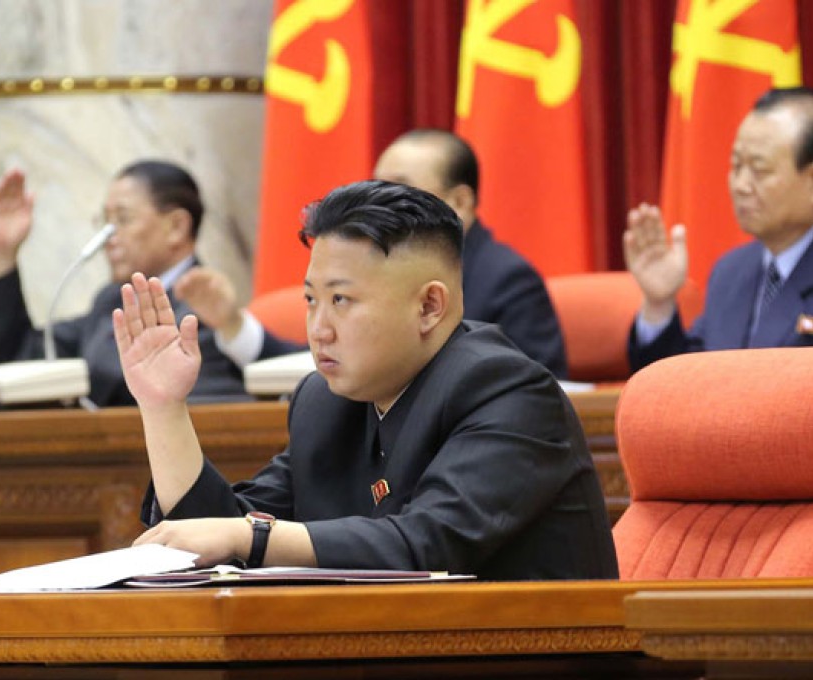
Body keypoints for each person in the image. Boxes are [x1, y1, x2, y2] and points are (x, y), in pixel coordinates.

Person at [117, 180, 618, 581]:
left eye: (342, 301)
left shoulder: (506, 390)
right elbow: (218, 529)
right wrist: (163, 407)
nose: (319, 328)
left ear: (429, 306)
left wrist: (252, 536)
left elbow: (425, 545)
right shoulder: (324, 401)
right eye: (311, 299)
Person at [184, 130, 569, 378]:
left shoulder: (506, 278)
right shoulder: (371, 273)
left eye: (399, 189)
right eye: (376, 186)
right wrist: (233, 324)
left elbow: (539, 389)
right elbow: (333, 355)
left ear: (460, 201)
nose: (380, 202)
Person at [0, 161, 251, 406]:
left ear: (176, 227)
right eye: (105, 222)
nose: (107, 237)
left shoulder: (208, 310)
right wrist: (4, 252)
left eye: (122, 219)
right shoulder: (111, 301)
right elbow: (21, 357)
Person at [626, 87, 813, 371]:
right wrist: (659, 304)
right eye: (736, 166)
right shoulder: (731, 273)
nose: (740, 185)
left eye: (759, 170)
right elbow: (684, 382)